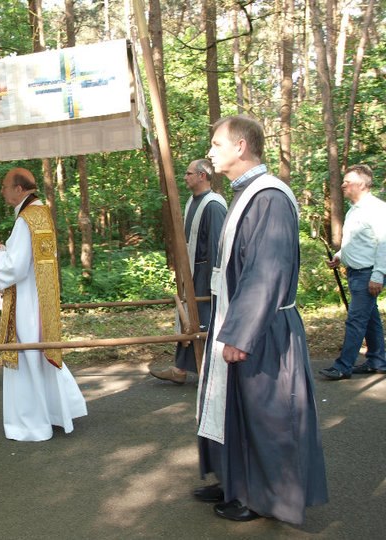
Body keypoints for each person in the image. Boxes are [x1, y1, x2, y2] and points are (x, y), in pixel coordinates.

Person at [194, 116, 328, 524]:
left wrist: (240, 334)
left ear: (241, 147)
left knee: (268, 416)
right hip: (242, 321)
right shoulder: (245, 192)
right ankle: (236, 480)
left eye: (217, 144)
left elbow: (266, 272)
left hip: (264, 329)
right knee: (237, 408)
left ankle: (265, 497)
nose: (210, 152)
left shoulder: (268, 197)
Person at [0, 167, 87, 442]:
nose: (2, 191)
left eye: (5, 187)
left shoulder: (25, 219)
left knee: (27, 355)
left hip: (27, 303)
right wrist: (6, 251)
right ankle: (54, 413)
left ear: (19, 189)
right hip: (40, 298)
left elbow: (16, 268)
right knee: (39, 355)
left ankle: (31, 424)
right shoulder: (41, 213)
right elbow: (27, 259)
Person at [150, 159, 226, 384]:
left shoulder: (213, 205)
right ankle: (180, 368)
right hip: (192, 270)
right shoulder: (193, 201)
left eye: (189, 173)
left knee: (202, 319)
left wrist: (213, 280)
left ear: (202, 176)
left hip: (205, 273)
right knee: (189, 318)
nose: (185, 177)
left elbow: (217, 246)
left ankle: (210, 371)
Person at [319, 164, 386, 380]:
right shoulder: (353, 210)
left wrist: (378, 275)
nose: (343, 185)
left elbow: (384, 244)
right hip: (356, 274)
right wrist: (340, 256)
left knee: (356, 321)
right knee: (370, 319)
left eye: (347, 181)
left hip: (368, 274)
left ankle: (343, 366)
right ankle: (377, 360)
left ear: (362, 184)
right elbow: (357, 242)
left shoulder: (377, 209)